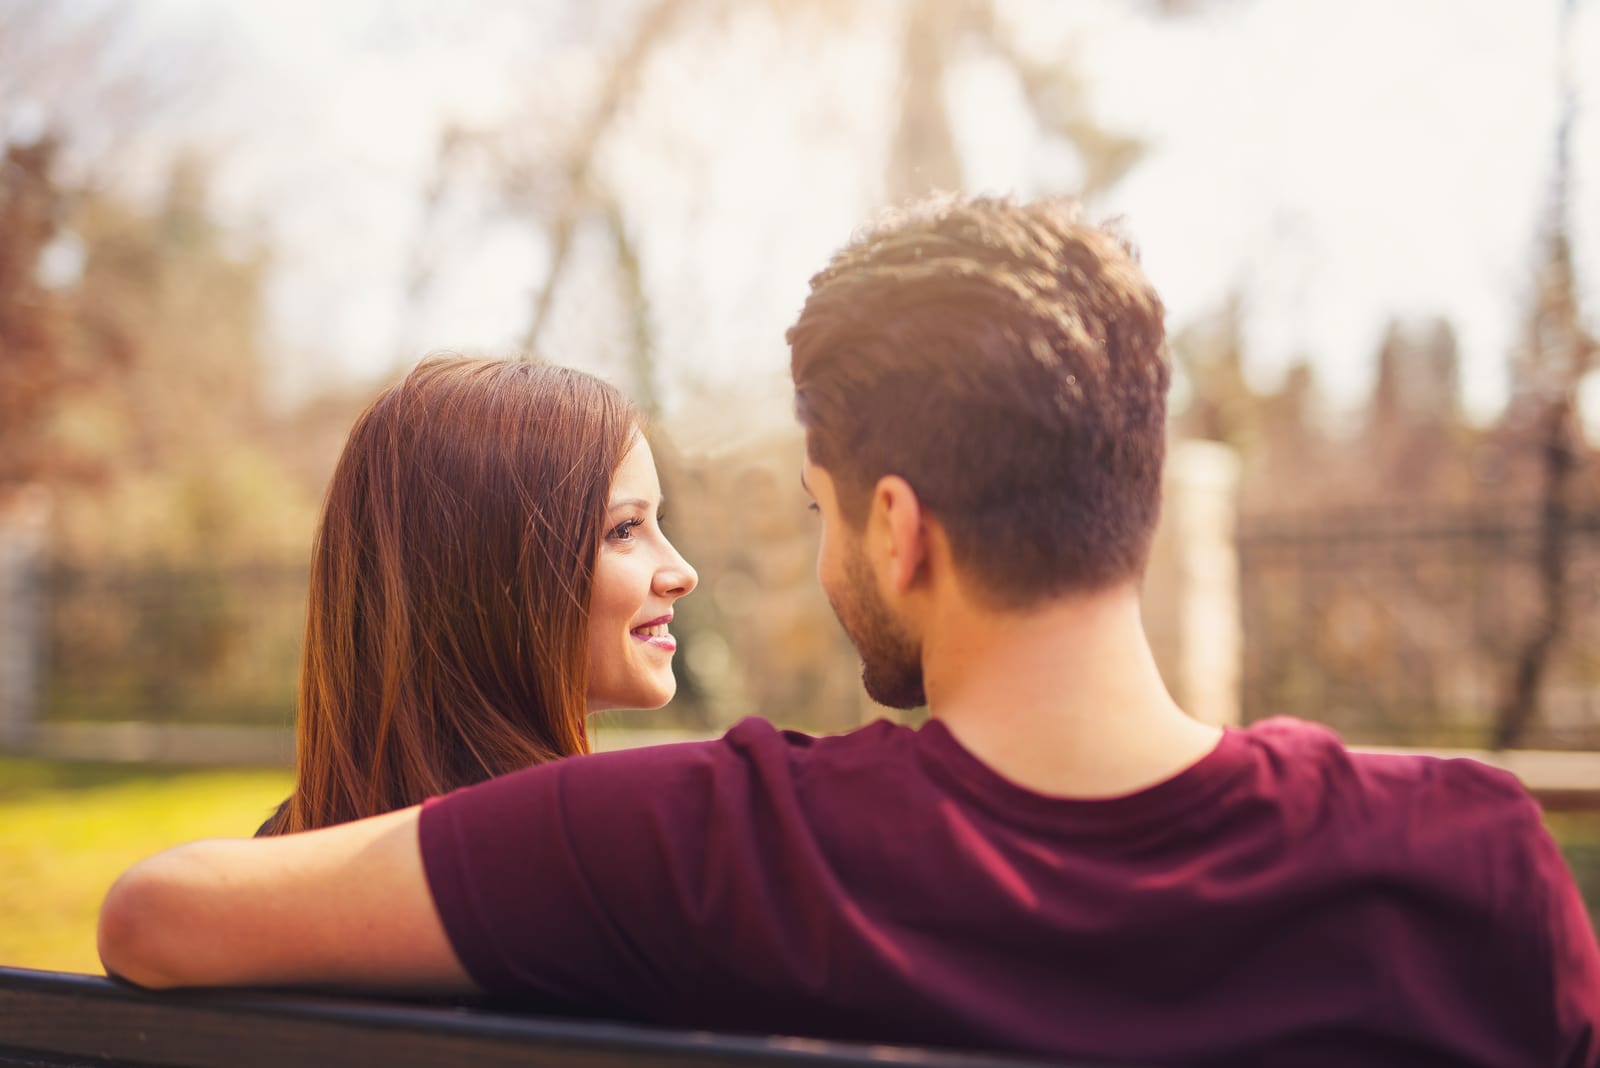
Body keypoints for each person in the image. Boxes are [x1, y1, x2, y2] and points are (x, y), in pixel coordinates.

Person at [98, 197, 1599, 1067]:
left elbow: (155, 916)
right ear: (1135, 480)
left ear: (896, 527)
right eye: (630, 528)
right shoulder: (1467, 861)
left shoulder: (703, 847)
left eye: (815, 509)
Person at [258, 355, 697, 834]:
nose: (682, 573)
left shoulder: (282, 858)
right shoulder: (581, 856)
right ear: (490, 567)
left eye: (658, 521)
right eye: (624, 529)